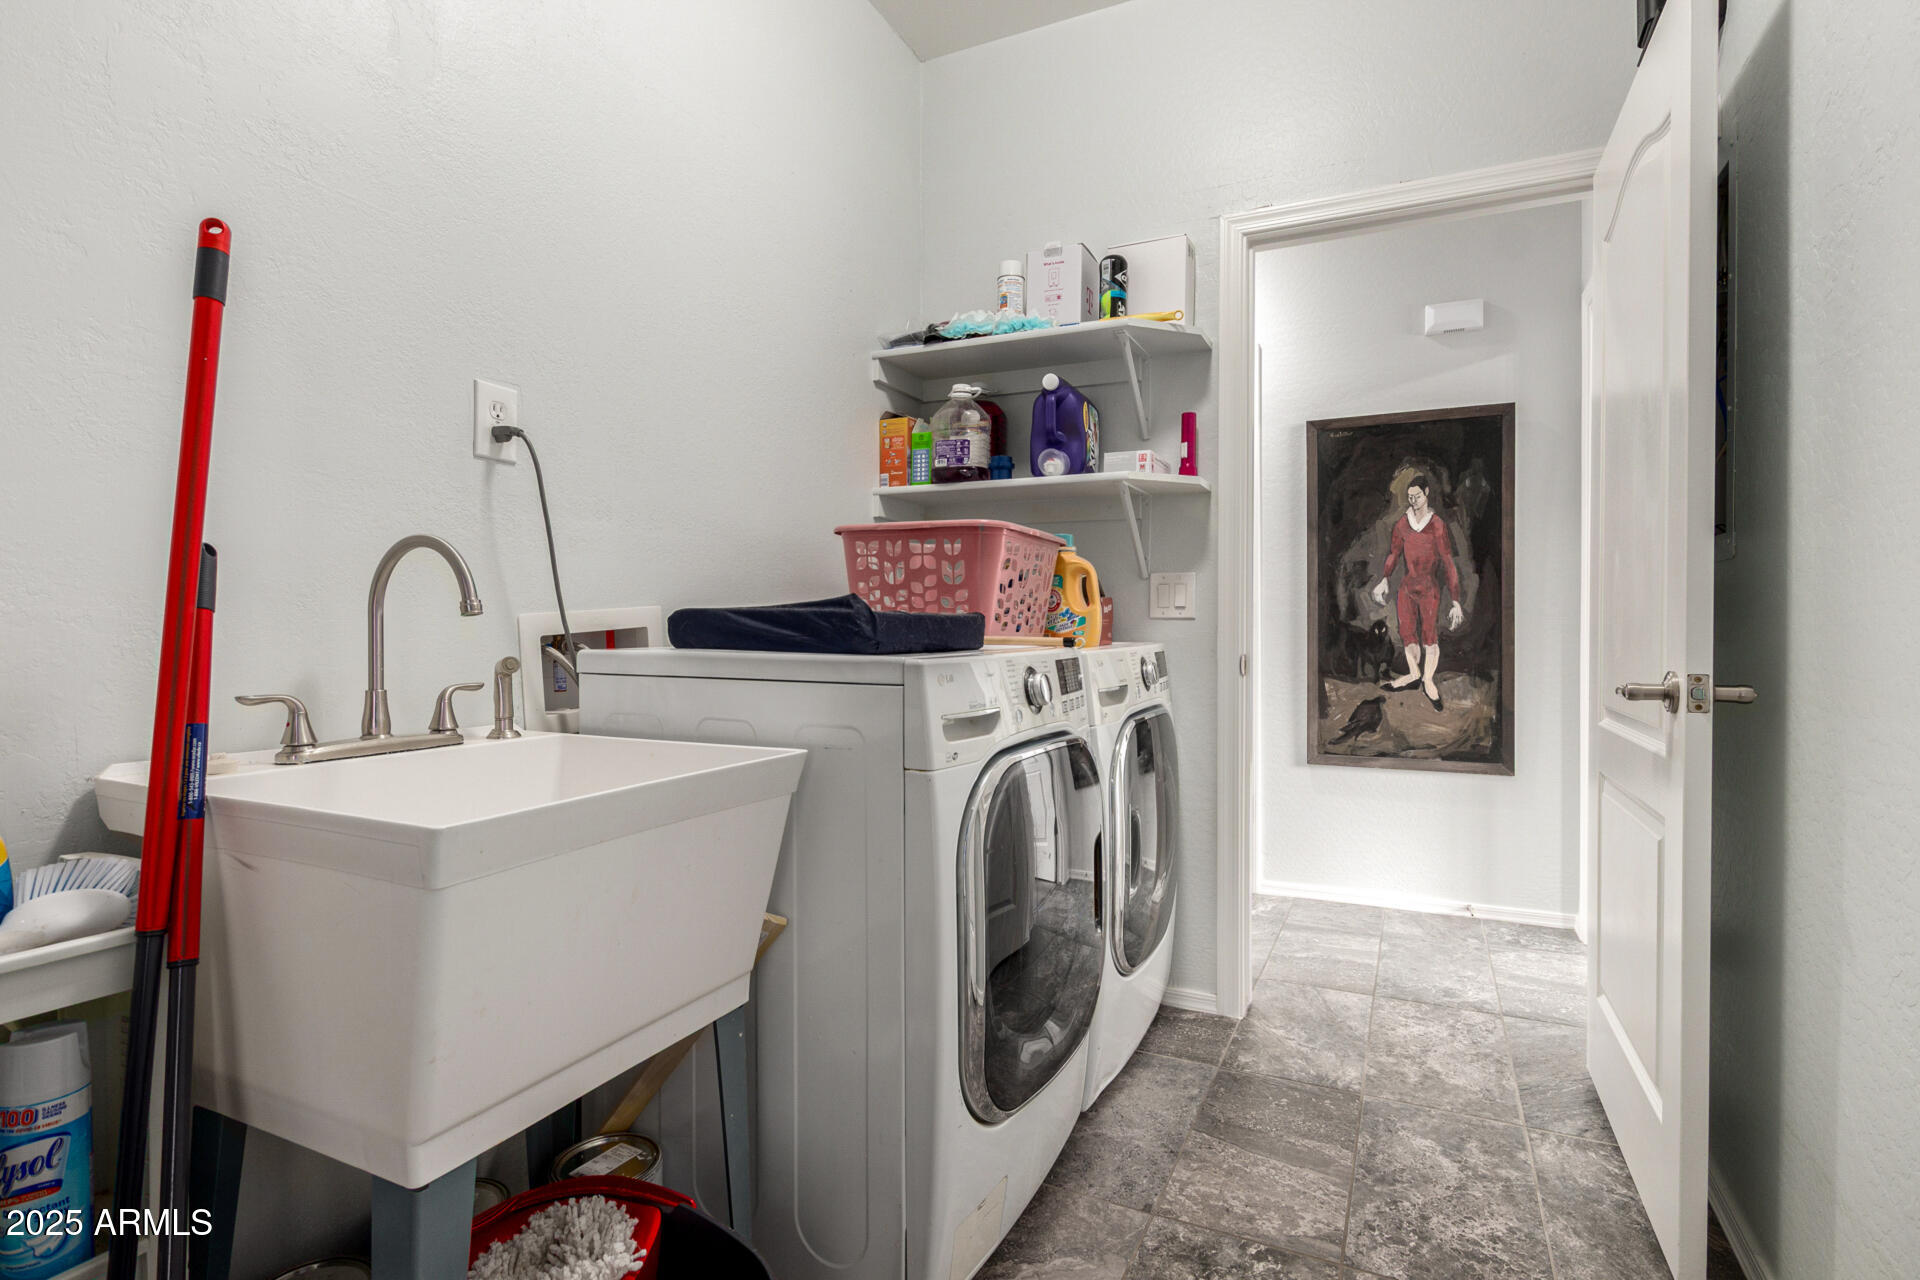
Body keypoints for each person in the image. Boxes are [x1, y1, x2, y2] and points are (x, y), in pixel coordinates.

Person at [1370, 474, 1464, 710]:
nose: (1413, 501)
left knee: (1429, 636)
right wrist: (1384, 579)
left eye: (1417, 496)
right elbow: (1393, 554)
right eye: (1410, 497)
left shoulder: (1437, 525)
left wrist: (1455, 601)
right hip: (1407, 588)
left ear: (1426, 494)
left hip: (1429, 589)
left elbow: (1448, 561)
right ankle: (1413, 674)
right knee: (1408, 633)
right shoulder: (1402, 524)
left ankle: (1428, 679)